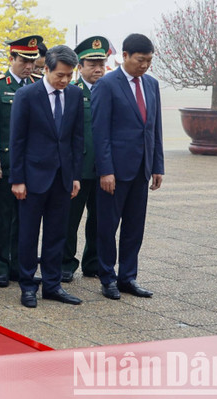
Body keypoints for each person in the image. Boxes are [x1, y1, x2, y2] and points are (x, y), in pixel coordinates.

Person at [10, 46, 84, 308]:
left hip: (62, 177)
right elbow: (17, 139)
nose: (64, 80)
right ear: (47, 69)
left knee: (56, 234)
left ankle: (52, 285)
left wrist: (75, 175)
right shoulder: (27, 95)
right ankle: (28, 286)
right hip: (32, 178)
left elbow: (76, 138)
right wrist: (17, 179)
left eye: (69, 75)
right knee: (28, 234)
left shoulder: (74, 95)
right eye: (60, 75)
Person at [92, 33, 163, 300]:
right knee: (108, 227)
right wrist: (106, 170)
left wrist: (157, 165)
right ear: (124, 56)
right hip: (115, 171)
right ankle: (107, 277)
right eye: (140, 60)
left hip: (142, 170)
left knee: (135, 227)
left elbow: (154, 129)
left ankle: (128, 277)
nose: (144, 65)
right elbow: (101, 132)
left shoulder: (152, 85)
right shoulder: (107, 84)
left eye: (149, 60)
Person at [0, 35, 42, 288]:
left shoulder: (39, 85)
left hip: (33, 166)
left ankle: (20, 265)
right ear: (11, 59)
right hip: (6, 164)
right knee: (2, 218)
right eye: (23, 61)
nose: (29, 66)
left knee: (26, 219)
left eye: (32, 61)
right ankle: (0, 265)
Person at [61, 37, 109, 282]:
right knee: (69, 220)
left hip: (105, 169)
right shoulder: (71, 92)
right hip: (78, 169)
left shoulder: (111, 90)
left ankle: (94, 263)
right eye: (92, 63)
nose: (98, 68)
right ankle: (65, 263)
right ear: (80, 66)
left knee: (100, 220)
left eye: (101, 63)